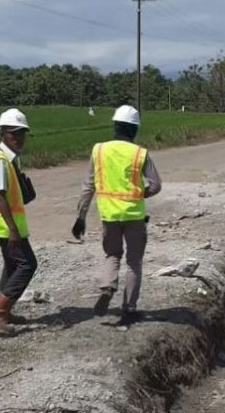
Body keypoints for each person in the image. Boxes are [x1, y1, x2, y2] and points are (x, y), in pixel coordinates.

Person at [71, 105, 162, 327]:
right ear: (135, 129)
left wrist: (80, 217)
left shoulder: (99, 150)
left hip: (109, 216)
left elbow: (88, 186)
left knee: (112, 255)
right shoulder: (140, 153)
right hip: (134, 216)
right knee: (133, 263)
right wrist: (140, 193)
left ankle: (107, 287)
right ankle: (129, 309)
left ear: (115, 126)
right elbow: (156, 185)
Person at [0, 108, 38, 333]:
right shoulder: (0, 161)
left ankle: (4, 308)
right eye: (13, 134)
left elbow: (12, 194)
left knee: (13, 263)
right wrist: (12, 229)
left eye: (22, 133)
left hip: (4, 223)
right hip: (2, 224)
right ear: (2, 134)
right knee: (27, 264)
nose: (19, 138)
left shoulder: (11, 160)